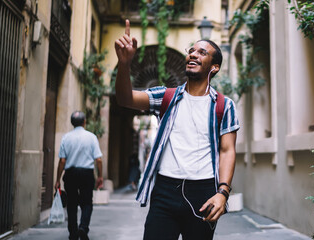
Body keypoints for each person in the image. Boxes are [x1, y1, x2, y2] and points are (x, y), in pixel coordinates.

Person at [114, 19, 239, 240]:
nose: (193, 54)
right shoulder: (167, 97)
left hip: (203, 192)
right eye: (191, 51)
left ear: (214, 66)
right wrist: (124, 64)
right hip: (165, 191)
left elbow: (227, 150)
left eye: (202, 52)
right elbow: (125, 98)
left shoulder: (224, 105)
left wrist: (223, 193)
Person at [55, 111, 103, 240]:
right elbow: (98, 159)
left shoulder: (66, 137)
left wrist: (58, 179)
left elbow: (62, 161)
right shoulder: (91, 137)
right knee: (87, 203)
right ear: (84, 122)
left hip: (70, 173)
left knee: (71, 203)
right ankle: (83, 227)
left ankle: (73, 232)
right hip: (87, 173)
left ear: (72, 123)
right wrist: (100, 176)